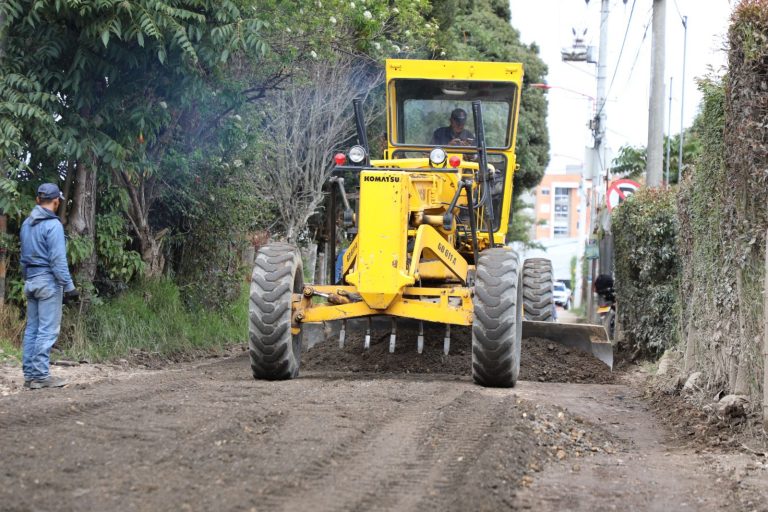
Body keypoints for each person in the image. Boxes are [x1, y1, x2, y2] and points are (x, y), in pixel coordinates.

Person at [20, 183, 79, 389]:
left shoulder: (27, 224)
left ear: (38, 200)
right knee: (47, 330)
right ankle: (41, 376)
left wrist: (28, 279)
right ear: (56, 201)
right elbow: (57, 261)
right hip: (48, 284)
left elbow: (23, 259)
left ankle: (29, 376)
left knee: (32, 329)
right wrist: (70, 287)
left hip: (30, 282)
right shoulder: (53, 226)